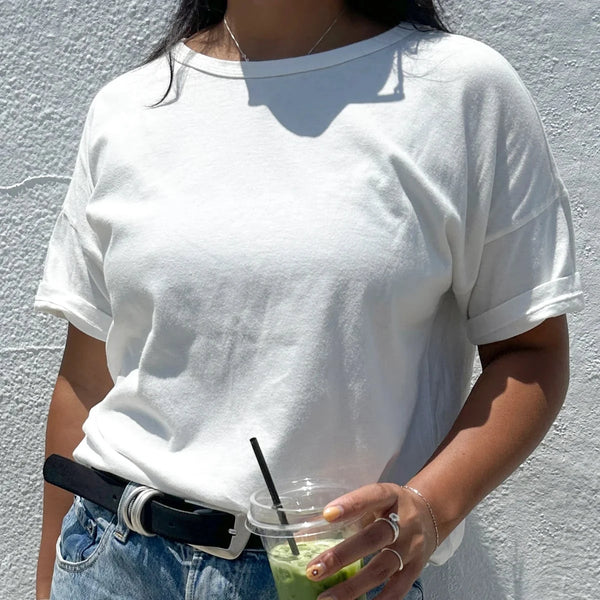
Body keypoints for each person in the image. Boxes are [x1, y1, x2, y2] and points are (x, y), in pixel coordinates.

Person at [34, 1, 584, 599]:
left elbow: (530, 351)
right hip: (110, 562)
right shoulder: (130, 106)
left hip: (327, 576)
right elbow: (85, 379)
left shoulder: (460, 91)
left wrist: (429, 507)